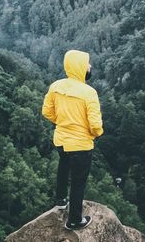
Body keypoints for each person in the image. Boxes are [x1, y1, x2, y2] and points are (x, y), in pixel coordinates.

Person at [42, 49, 104, 230]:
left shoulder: (56, 86)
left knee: (64, 166)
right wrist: (96, 133)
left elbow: (47, 112)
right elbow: (95, 124)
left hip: (61, 140)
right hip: (81, 144)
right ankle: (75, 219)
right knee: (78, 181)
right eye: (88, 63)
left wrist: (61, 122)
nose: (90, 66)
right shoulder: (89, 92)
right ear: (80, 67)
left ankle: (60, 200)